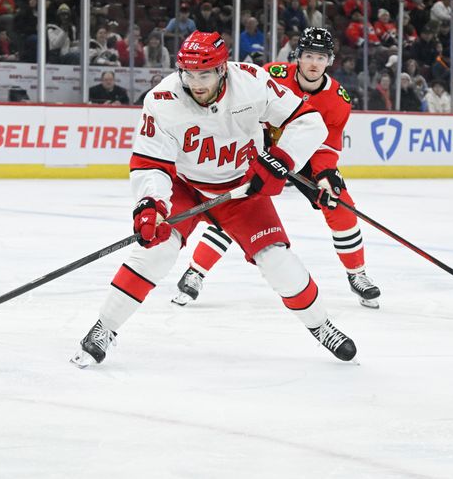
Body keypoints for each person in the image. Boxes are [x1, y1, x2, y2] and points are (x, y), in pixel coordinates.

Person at [70, 30, 357, 368]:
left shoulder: (251, 82)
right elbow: (151, 162)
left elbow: (309, 122)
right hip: (186, 186)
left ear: (222, 69)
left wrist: (281, 159)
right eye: (188, 74)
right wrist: (150, 206)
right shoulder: (162, 100)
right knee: (155, 252)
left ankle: (321, 325)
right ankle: (105, 327)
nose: (196, 82)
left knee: (279, 263)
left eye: (204, 73)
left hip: (241, 189)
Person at [172, 27, 382, 310]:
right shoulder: (272, 74)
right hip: (261, 146)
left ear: (330, 61)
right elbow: (245, 109)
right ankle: (196, 272)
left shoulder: (338, 99)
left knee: (340, 203)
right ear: (297, 57)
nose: (313, 63)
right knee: (237, 206)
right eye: (308, 55)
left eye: (320, 58)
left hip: (302, 153)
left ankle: (357, 274)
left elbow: (326, 145)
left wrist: (325, 174)